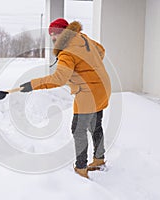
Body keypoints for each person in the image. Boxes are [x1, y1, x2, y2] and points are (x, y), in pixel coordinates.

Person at [19, 18, 111, 179]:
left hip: (88, 93)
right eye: (51, 34)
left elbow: (58, 79)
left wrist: (33, 84)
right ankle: (99, 160)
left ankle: (81, 169)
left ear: (65, 31)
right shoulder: (83, 38)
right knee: (96, 126)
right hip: (103, 87)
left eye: (56, 32)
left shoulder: (67, 51)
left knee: (78, 129)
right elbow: (101, 51)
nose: (54, 37)